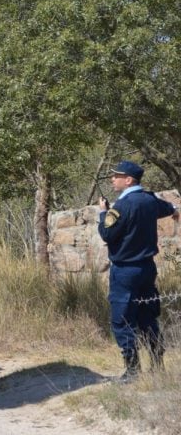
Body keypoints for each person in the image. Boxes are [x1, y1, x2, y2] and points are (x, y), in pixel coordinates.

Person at [97, 160, 179, 383]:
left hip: (125, 270)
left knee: (122, 319)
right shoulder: (149, 200)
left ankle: (132, 371)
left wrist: (103, 213)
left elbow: (106, 234)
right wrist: (174, 212)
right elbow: (168, 208)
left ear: (129, 179)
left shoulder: (122, 207)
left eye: (116, 176)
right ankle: (157, 365)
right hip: (147, 268)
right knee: (147, 316)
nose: (112, 179)